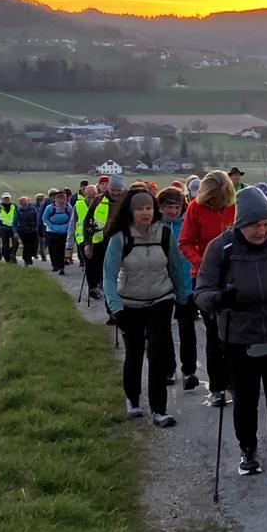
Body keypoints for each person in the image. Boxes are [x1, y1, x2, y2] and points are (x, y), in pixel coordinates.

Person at [195, 187, 267, 487]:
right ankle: (248, 452)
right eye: (255, 226)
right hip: (239, 339)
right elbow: (202, 293)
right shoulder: (222, 248)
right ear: (240, 224)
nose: (262, 231)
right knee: (245, 401)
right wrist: (221, 299)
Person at [103, 187, 190, 427]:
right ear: (131, 212)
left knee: (159, 353)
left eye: (149, 208)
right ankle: (132, 400)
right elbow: (109, 276)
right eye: (140, 209)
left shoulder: (164, 233)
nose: (145, 213)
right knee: (135, 352)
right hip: (130, 303)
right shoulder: (121, 237)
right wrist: (115, 307)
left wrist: (182, 298)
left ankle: (159, 410)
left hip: (161, 299)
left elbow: (174, 267)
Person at [180, 170, 237, 406]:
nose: (218, 203)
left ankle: (237, 381)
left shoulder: (236, 207)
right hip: (206, 279)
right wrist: (202, 262)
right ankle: (217, 387)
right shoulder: (195, 209)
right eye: (213, 198)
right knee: (214, 334)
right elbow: (185, 243)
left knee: (236, 334)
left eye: (221, 198)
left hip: (236, 276)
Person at [157, 186, 200, 389]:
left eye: (176, 206)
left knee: (187, 329)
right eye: (168, 207)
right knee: (164, 330)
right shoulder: (156, 226)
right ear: (161, 207)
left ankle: (189, 371)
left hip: (186, 282)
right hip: (162, 284)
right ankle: (168, 369)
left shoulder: (188, 223)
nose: (172, 211)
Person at [40, 189, 72, 274]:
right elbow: (44, 218)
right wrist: (52, 226)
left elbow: (71, 218)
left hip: (64, 231)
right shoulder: (49, 208)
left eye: (63, 198)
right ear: (55, 199)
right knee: (53, 248)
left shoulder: (68, 207)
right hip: (51, 231)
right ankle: (55, 264)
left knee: (61, 249)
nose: (62, 200)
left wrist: (67, 226)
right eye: (59, 198)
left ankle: (61, 267)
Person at [15, 195, 41, 265]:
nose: (24, 203)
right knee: (26, 246)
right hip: (23, 231)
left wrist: (37, 227)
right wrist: (15, 232)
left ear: (28, 201)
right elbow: (15, 221)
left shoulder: (33, 208)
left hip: (33, 230)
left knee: (34, 245)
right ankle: (27, 259)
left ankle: (31, 255)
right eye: (22, 201)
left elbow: (37, 217)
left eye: (25, 201)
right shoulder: (18, 210)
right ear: (20, 203)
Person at [0, 192, 18, 263]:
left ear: (10, 198)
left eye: (7, 198)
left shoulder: (14, 206)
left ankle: (12, 254)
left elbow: (18, 214)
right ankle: (7, 259)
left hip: (13, 227)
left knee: (16, 243)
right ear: (2, 199)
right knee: (5, 245)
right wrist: (0, 223)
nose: (6, 200)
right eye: (5, 198)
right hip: (4, 228)